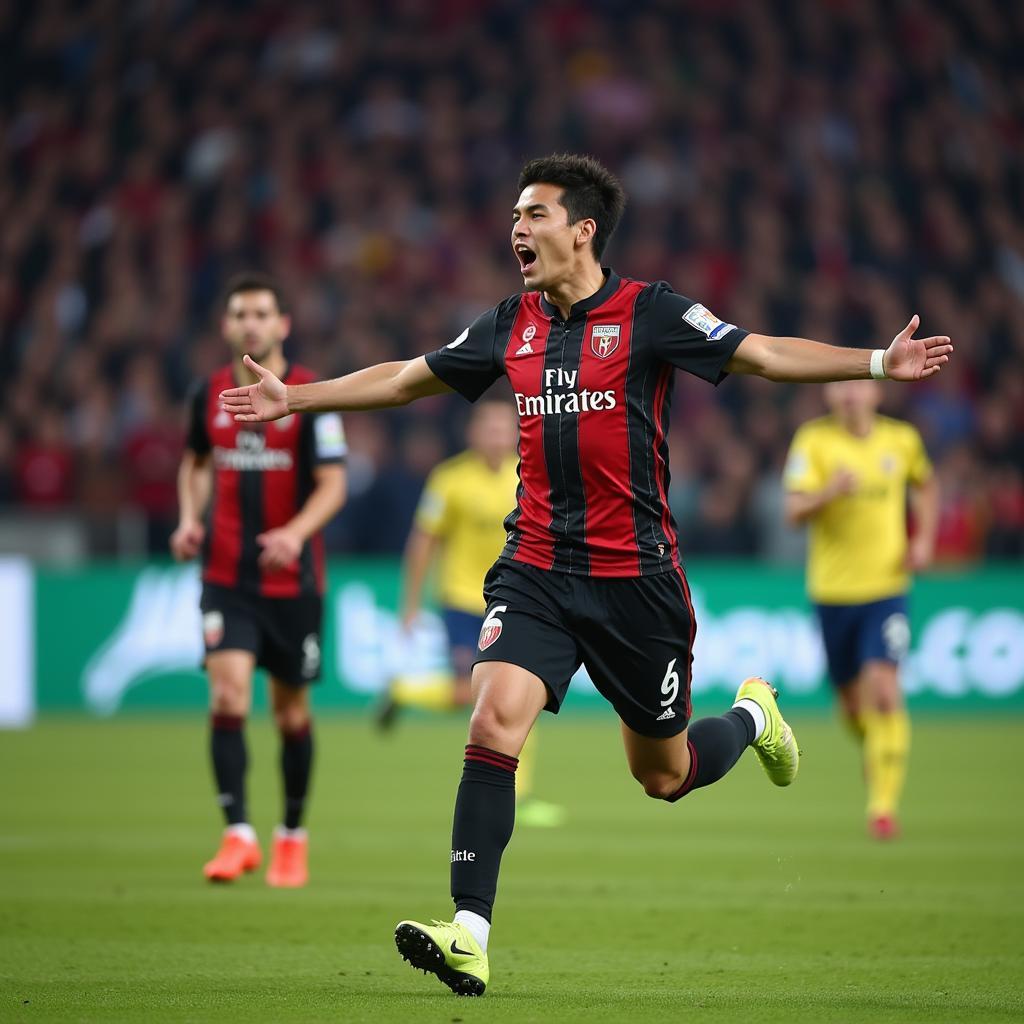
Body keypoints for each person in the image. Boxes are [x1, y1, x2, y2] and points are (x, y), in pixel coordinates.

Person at [219, 154, 952, 994]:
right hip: (535, 567)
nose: (517, 230)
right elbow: (405, 378)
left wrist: (873, 364)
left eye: (534, 215)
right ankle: (469, 930)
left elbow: (761, 355)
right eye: (515, 216)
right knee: (492, 720)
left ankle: (753, 716)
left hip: (638, 584)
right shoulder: (511, 322)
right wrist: (297, 400)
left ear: (582, 229)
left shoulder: (650, 313)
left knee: (664, 776)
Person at [170, 272, 347, 887]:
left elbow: (334, 483)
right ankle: (238, 835)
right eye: (239, 313)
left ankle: (291, 837)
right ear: (226, 326)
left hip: (293, 583)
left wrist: (296, 533)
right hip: (226, 577)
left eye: (261, 313)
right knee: (227, 696)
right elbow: (194, 462)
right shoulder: (207, 394)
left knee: (291, 713)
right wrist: (190, 519)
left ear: (282, 325)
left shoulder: (309, 394)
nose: (250, 323)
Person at [380, 397, 565, 828]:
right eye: (490, 428)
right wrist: (410, 604)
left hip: (518, 597)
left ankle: (521, 794)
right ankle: (405, 691)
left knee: (524, 690)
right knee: (470, 695)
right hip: (464, 602)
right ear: (473, 432)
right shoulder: (449, 481)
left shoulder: (530, 475)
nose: (498, 436)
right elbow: (423, 542)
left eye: (505, 428)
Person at [783, 379, 937, 839]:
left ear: (877, 394)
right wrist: (828, 492)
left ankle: (883, 807)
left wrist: (923, 540)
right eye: (841, 386)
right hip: (832, 592)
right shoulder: (814, 441)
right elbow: (792, 512)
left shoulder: (902, 440)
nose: (851, 394)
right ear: (829, 395)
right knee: (851, 704)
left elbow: (926, 487)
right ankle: (878, 752)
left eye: (860, 386)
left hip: (887, 588)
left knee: (884, 690)